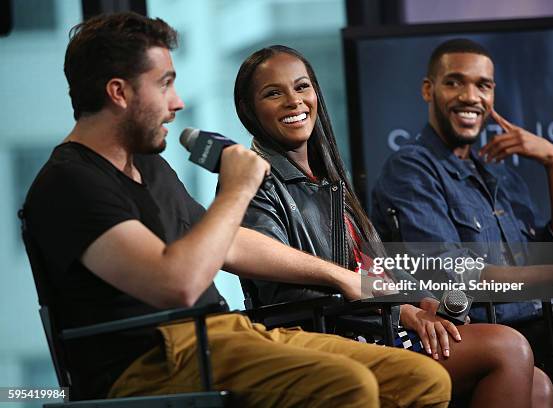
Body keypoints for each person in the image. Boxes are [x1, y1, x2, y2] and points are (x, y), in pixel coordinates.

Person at [23, 13, 453, 407]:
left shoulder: (149, 166)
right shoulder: (69, 183)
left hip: (222, 334)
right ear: (118, 92)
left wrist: (342, 276)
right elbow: (177, 284)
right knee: (349, 384)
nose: (177, 103)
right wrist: (236, 189)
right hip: (152, 363)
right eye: (164, 84)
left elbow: (231, 242)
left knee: (421, 378)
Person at [235, 45, 553, 408]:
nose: (294, 101)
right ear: (248, 109)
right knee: (508, 348)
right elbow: (290, 289)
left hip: (378, 325)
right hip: (336, 339)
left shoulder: (329, 181)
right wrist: (399, 309)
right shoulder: (255, 179)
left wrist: (419, 301)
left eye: (302, 87)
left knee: (539, 384)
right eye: (273, 93)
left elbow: (374, 272)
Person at [370, 38, 553, 394]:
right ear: (428, 90)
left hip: (546, 322)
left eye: (483, 85)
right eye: (454, 82)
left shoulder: (498, 173)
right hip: (489, 332)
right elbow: (453, 275)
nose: (470, 96)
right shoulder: (411, 169)